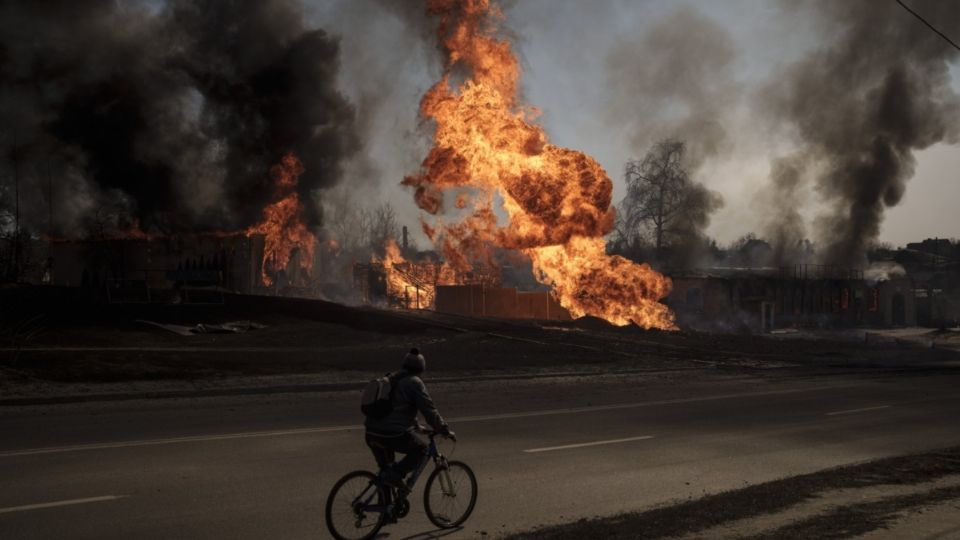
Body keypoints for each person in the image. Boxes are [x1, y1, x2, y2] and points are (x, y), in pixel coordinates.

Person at [365, 348, 453, 491]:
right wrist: (443, 429)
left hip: (371, 432)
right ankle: (395, 475)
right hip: (390, 435)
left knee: (386, 472)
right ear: (421, 368)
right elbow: (429, 410)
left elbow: (399, 409)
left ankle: (386, 510)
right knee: (422, 450)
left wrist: (418, 427)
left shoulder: (391, 378)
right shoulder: (414, 382)